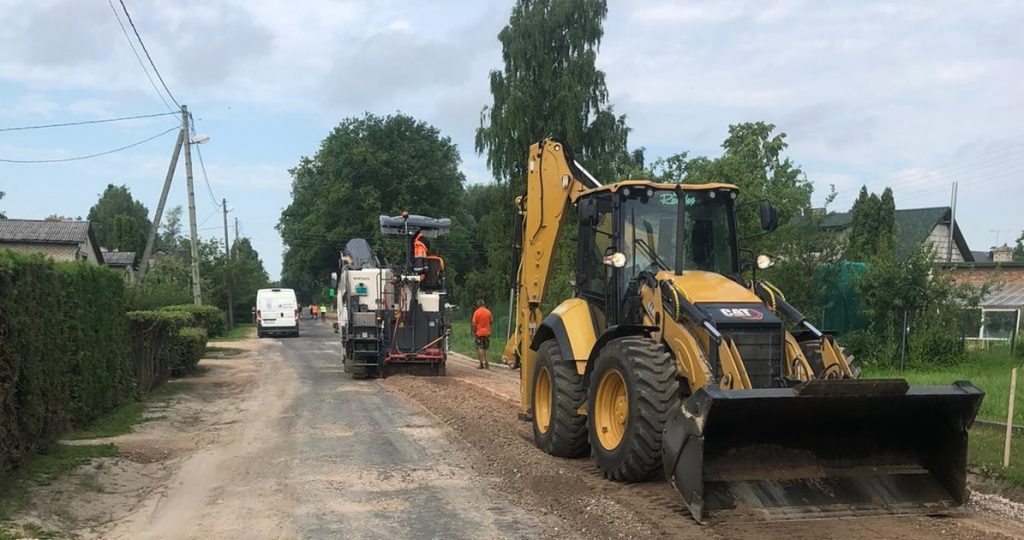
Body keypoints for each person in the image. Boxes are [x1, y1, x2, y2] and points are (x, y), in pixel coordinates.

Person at [471, 299, 493, 369]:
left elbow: (474, 323)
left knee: (480, 348)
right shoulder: (488, 312)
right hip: (487, 333)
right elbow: (491, 322)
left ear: (478, 305)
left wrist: (474, 331)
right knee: (486, 348)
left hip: (479, 333)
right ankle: (487, 363)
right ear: (484, 304)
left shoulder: (476, 312)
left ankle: (481, 364)